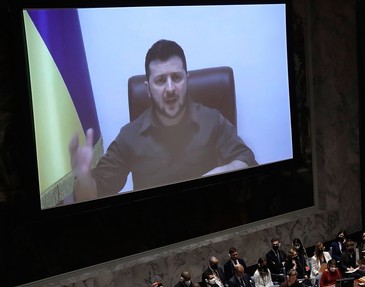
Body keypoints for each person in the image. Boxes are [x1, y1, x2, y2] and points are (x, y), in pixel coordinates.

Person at [68, 39, 256, 202]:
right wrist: (84, 178)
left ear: (186, 80)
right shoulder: (129, 136)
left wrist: (217, 175)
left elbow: (246, 160)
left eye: (176, 77)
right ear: (148, 88)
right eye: (160, 80)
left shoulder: (212, 120)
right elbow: (94, 194)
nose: (170, 88)